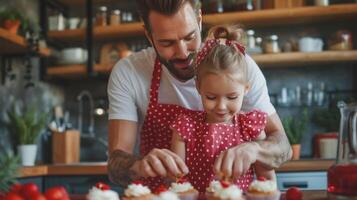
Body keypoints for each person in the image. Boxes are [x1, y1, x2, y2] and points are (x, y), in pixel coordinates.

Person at [107, 0, 291, 189]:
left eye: (189, 37)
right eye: (167, 42)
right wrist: (138, 165)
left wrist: (255, 150)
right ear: (148, 35)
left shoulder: (237, 67)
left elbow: (283, 147)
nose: (182, 52)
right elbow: (115, 165)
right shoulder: (129, 72)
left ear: (199, 20)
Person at [170, 25, 276, 195]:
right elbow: (177, 179)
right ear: (198, 87)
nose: (221, 106)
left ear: (246, 89)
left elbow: (267, 178)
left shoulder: (250, 126)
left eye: (232, 97)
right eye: (211, 97)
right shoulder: (186, 126)